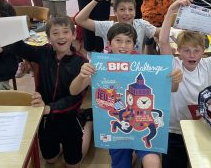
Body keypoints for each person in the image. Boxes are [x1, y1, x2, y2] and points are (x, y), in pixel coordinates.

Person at [70, 22, 182, 168]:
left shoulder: (146, 66)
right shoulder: (99, 66)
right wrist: (81, 75)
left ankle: (137, 153)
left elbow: (172, 89)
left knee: (153, 162)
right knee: (121, 164)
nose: (123, 45)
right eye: (118, 40)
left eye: (128, 41)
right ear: (109, 44)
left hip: (142, 126)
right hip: (118, 134)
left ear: (134, 45)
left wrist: (176, 80)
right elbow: (74, 90)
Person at [158, 0, 211, 168]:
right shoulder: (174, 63)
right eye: (186, 50)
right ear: (178, 51)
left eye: (196, 50)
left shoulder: (208, 65)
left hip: (201, 128)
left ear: (203, 51)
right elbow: (163, 41)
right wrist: (171, 10)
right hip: (173, 130)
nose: (191, 55)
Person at [7, 16, 87, 167]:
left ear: (74, 35)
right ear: (49, 38)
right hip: (45, 118)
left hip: (69, 117)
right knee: (50, 160)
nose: (61, 36)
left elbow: (76, 98)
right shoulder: (44, 52)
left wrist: (50, 108)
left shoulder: (81, 62)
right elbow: (19, 48)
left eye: (65, 32)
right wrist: (7, 30)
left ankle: (87, 123)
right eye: (55, 33)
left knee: (73, 164)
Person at [75, 0, 159, 54]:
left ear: (135, 11)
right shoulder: (107, 26)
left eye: (130, 9)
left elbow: (161, 33)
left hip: (134, 69)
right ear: (115, 12)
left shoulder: (141, 24)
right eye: (122, 9)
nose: (127, 13)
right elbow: (79, 20)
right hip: (111, 69)